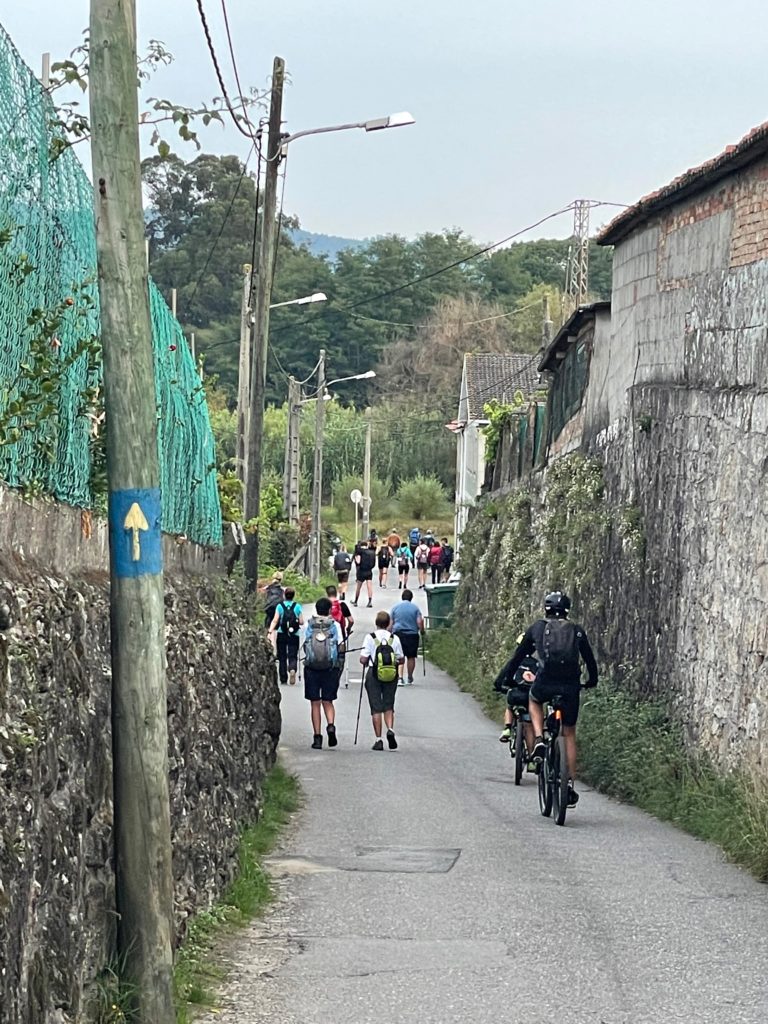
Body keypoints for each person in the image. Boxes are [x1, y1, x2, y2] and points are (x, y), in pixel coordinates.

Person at [501, 591, 598, 807]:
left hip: (545, 681)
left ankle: (539, 739)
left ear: (546, 609)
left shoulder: (538, 627)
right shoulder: (576, 631)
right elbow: (590, 660)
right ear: (566, 610)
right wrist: (592, 680)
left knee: (534, 701)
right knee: (569, 733)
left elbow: (518, 656)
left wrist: (509, 677)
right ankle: (569, 785)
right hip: (570, 684)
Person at [303, 597, 346, 749]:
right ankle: (331, 726)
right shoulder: (334, 625)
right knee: (328, 701)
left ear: (316, 609)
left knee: (315, 703)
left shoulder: (309, 625)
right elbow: (340, 646)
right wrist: (339, 665)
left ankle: (317, 737)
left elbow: (305, 644)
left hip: (312, 668)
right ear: (329, 610)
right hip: (330, 668)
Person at [360, 611, 405, 750]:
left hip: (374, 674)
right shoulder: (394, 638)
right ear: (388, 623)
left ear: (376, 622)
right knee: (389, 705)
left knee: (376, 707)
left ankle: (378, 739)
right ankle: (390, 729)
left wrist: (368, 660)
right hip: (391, 675)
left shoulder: (370, 637)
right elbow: (401, 658)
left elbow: (363, 659)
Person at [492, 634, 537, 754]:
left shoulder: (514, 662)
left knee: (510, 707)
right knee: (529, 724)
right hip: (530, 697)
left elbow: (502, 676)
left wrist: (498, 686)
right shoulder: (536, 664)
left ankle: (507, 727)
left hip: (516, 694)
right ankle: (531, 756)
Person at [269, 587, 304, 686]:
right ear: (293, 596)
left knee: (282, 656)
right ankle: (292, 669)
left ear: (284, 595)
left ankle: (283, 677)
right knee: (292, 655)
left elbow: (275, 620)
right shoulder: (297, 606)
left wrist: (270, 630)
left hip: (282, 633)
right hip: (294, 634)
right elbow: (301, 621)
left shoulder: (280, 606)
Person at [390, 588, 424, 685]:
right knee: (411, 657)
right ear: (411, 598)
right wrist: (422, 631)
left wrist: (389, 633)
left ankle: (400, 677)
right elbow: (419, 622)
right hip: (412, 634)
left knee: (399, 655)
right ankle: (409, 676)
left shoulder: (395, 607)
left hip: (398, 634)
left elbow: (391, 623)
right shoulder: (415, 608)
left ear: (402, 597)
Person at [352, 538, 376, 607]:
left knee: (358, 587)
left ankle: (356, 601)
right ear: (367, 545)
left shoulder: (360, 552)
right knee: (369, 586)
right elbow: (373, 563)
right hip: (369, 571)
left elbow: (358, 562)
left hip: (361, 571)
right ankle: (370, 601)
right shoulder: (372, 552)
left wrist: (356, 558)